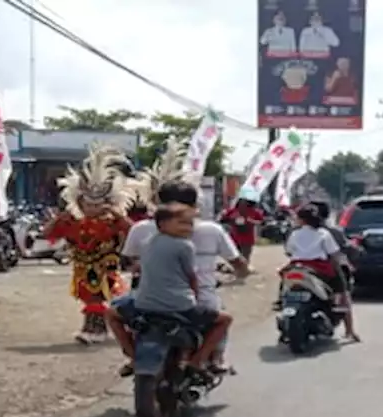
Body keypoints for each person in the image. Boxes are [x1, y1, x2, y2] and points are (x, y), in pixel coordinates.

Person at [121, 179, 249, 374]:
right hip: (196, 299)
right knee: (221, 316)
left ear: (156, 201)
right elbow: (237, 263)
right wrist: (243, 271)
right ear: (195, 205)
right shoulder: (211, 230)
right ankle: (212, 358)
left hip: (146, 299)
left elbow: (127, 261)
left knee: (116, 313)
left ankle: (133, 357)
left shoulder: (140, 229)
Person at [45, 144, 137, 344]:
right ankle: (99, 327)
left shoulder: (113, 221)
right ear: (80, 202)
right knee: (90, 297)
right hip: (82, 267)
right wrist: (58, 218)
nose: (93, 208)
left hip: (106, 267)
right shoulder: (72, 221)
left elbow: (133, 232)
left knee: (96, 297)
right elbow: (47, 233)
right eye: (88, 204)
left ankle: (95, 329)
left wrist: (118, 216)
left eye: (98, 204)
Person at [284, 203, 358, 341]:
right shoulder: (326, 233)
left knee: (285, 276)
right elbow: (334, 253)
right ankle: (349, 330)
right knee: (343, 292)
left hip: (297, 266)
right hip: (320, 268)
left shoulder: (294, 233)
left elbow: (289, 251)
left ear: (301, 219)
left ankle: (280, 301)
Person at [218, 198, 264, 264]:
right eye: (242, 200)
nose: (243, 202)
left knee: (245, 257)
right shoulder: (232, 211)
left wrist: (252, 221)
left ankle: (245, 269)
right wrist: (230, 222)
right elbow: (222, 220)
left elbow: (262, 222)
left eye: (245, 201)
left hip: (247, 238)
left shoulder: (254, 211)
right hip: (234, 238)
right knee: (235, 257)